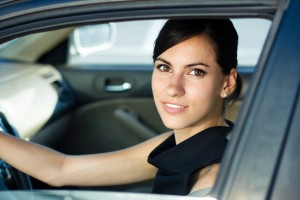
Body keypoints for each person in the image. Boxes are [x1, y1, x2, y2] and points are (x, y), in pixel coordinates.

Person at [0, 18, 241, 196]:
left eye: (195, 72)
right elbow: (61, 169)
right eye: (164, 68)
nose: (173, 88)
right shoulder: (181, 145)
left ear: (227, 83)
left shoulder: (214, 181)